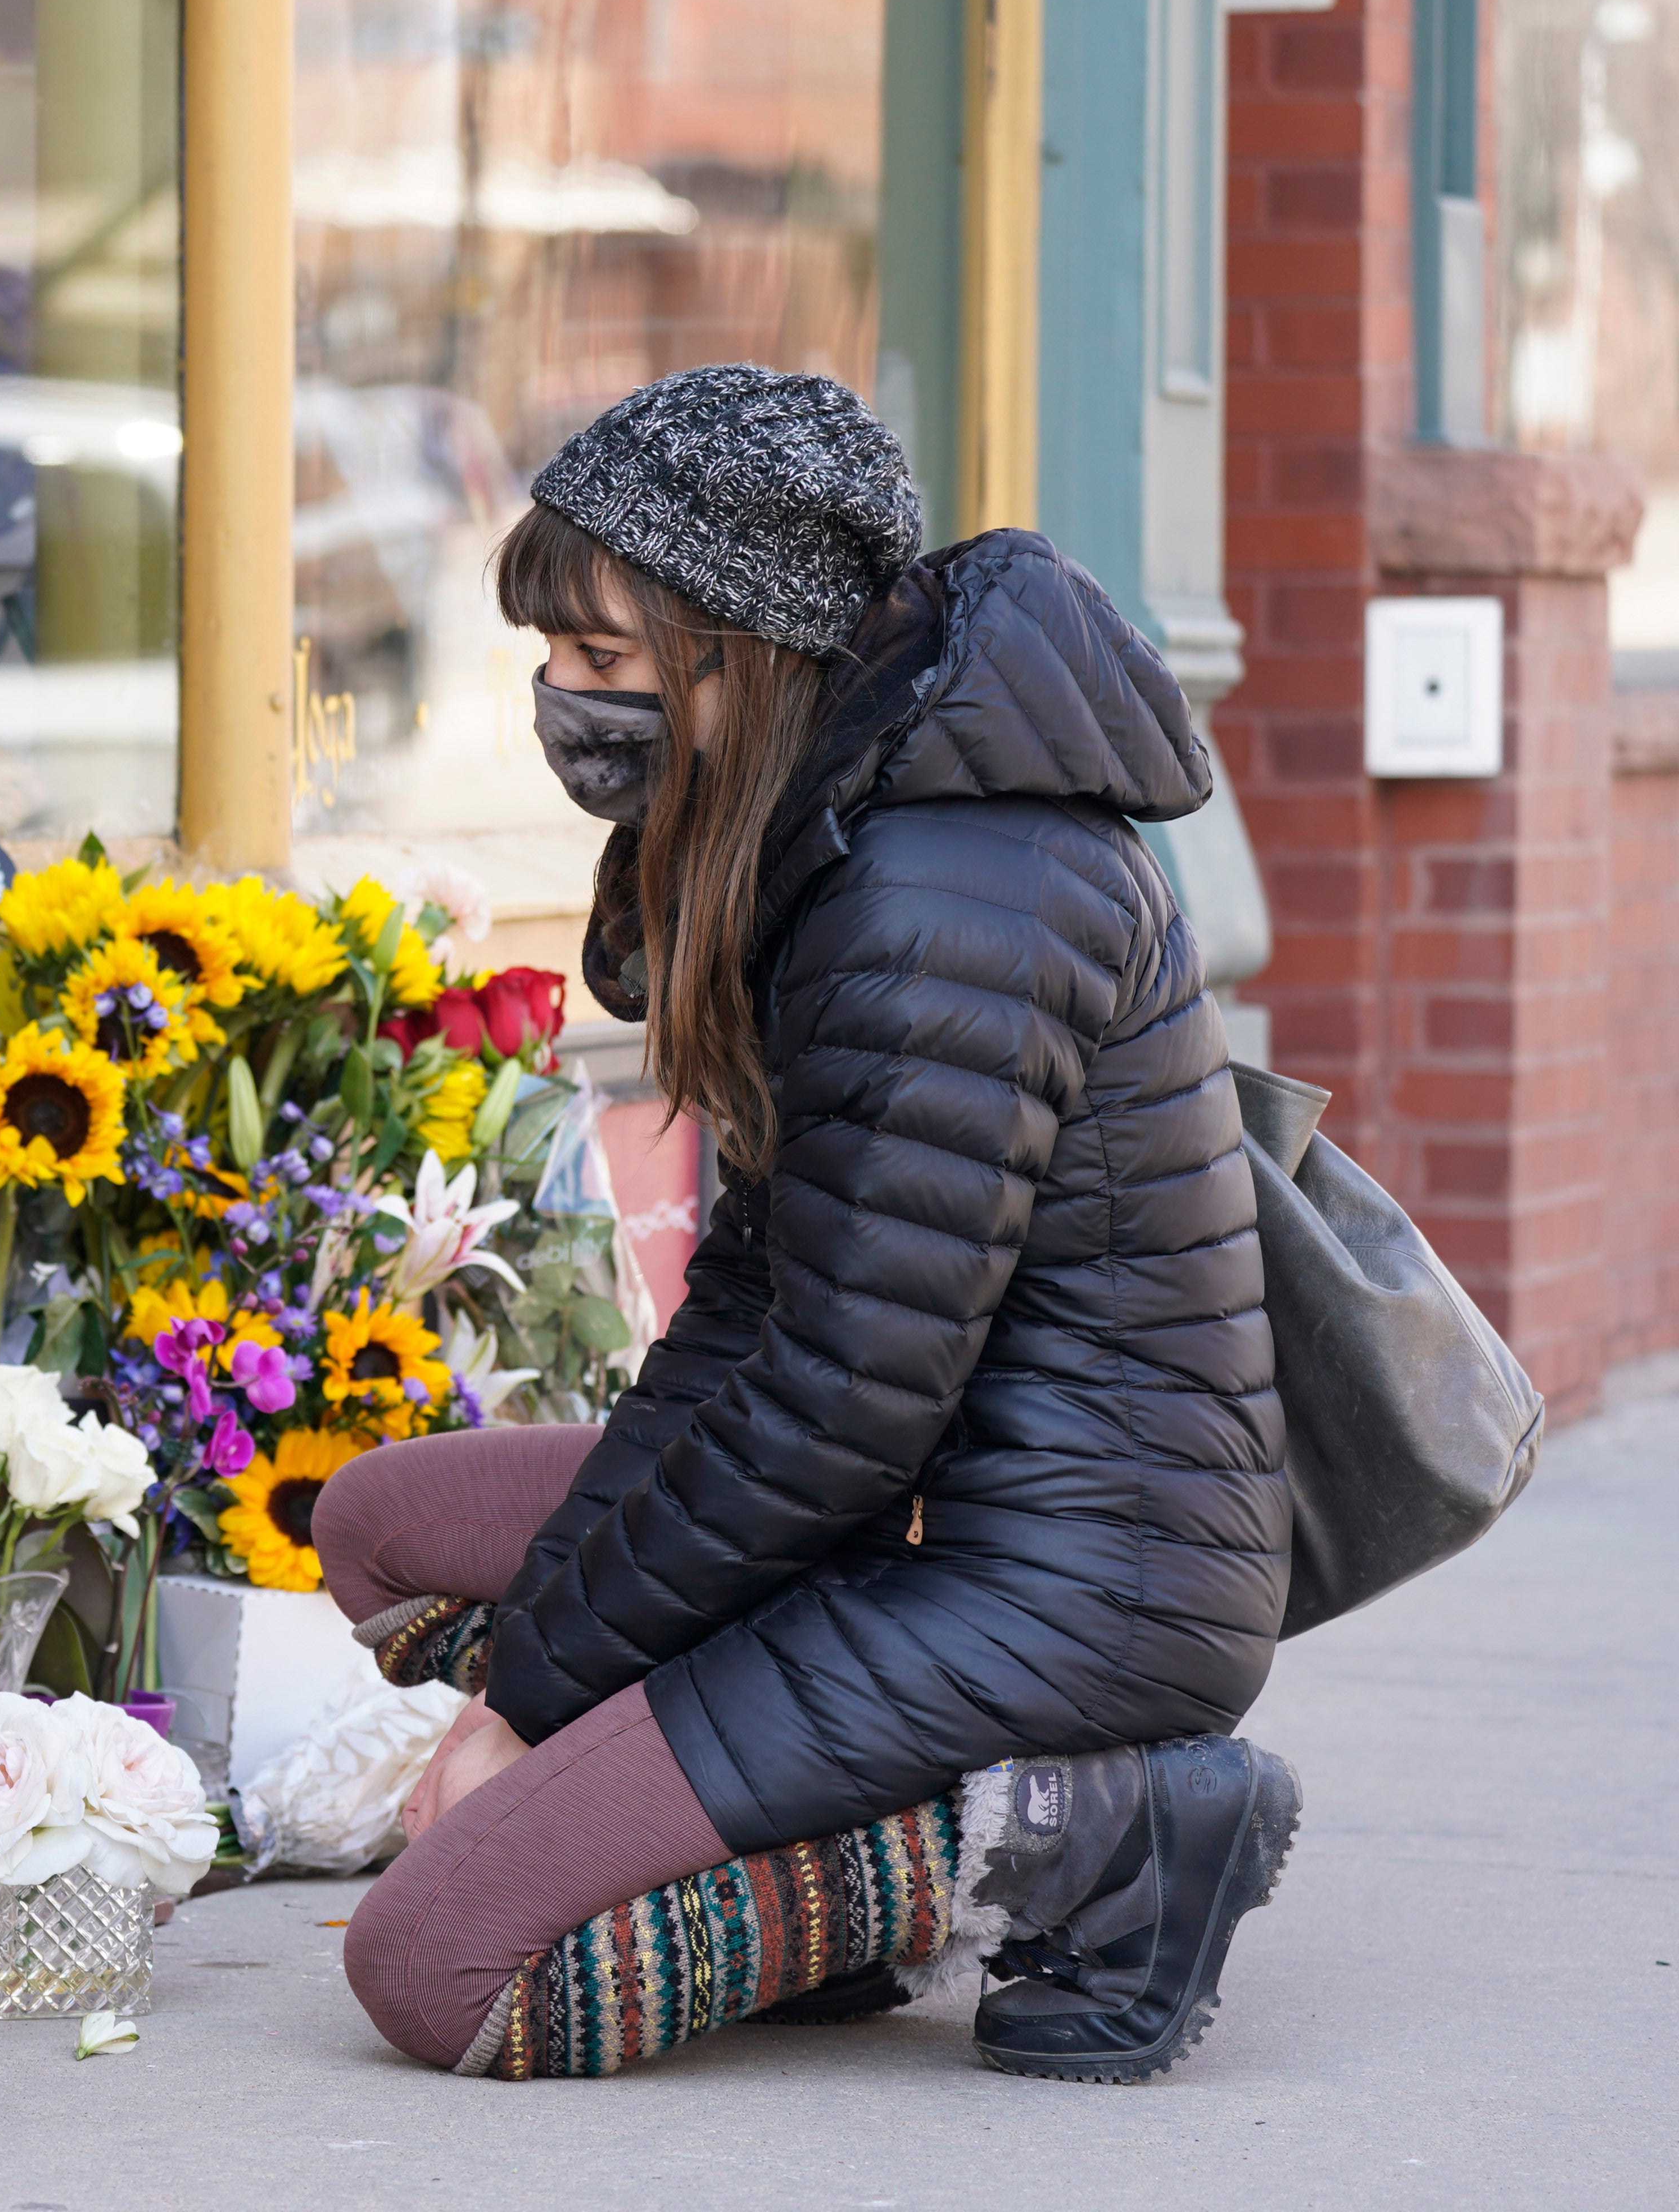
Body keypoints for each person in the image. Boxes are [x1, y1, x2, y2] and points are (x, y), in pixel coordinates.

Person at [314, 365, 1294, 2084]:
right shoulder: (821, 835)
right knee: (384, 1525)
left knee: (439, 1965)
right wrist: (550, 1675)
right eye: (550, 654)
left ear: (745, 647)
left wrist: (532, 1705)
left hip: (1064, 1580)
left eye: (605, 661)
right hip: (900, 1514)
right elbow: (754, 1315)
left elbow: (839, 1407)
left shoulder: (944, 895)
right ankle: (773, 1864)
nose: (560, 697)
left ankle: (1083, 1830)